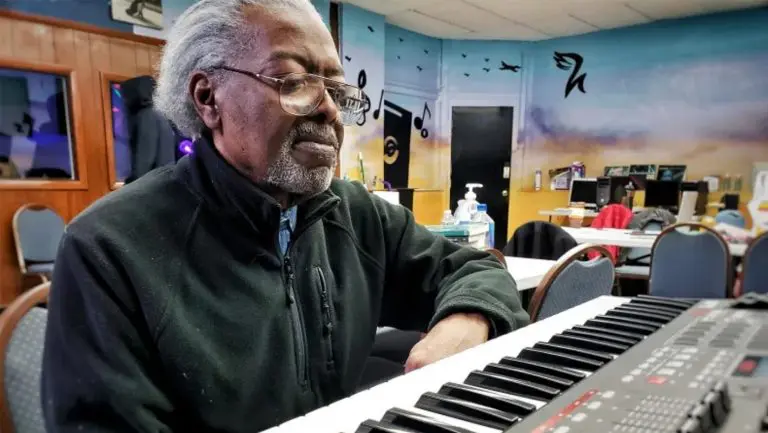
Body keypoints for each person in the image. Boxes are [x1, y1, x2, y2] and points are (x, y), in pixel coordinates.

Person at [41, 0, 529, 432]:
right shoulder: (107, 249)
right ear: (208, 99)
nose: (329, 111)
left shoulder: (356, 213)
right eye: (294, 83)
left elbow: (475, 269)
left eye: (337, 91)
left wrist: (468, 318)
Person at [121, 75, 176, 183]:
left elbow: (145, 158)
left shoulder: (147, 115)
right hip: (164, 181)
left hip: (151, 183)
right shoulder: (160, 114)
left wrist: (133, 184)